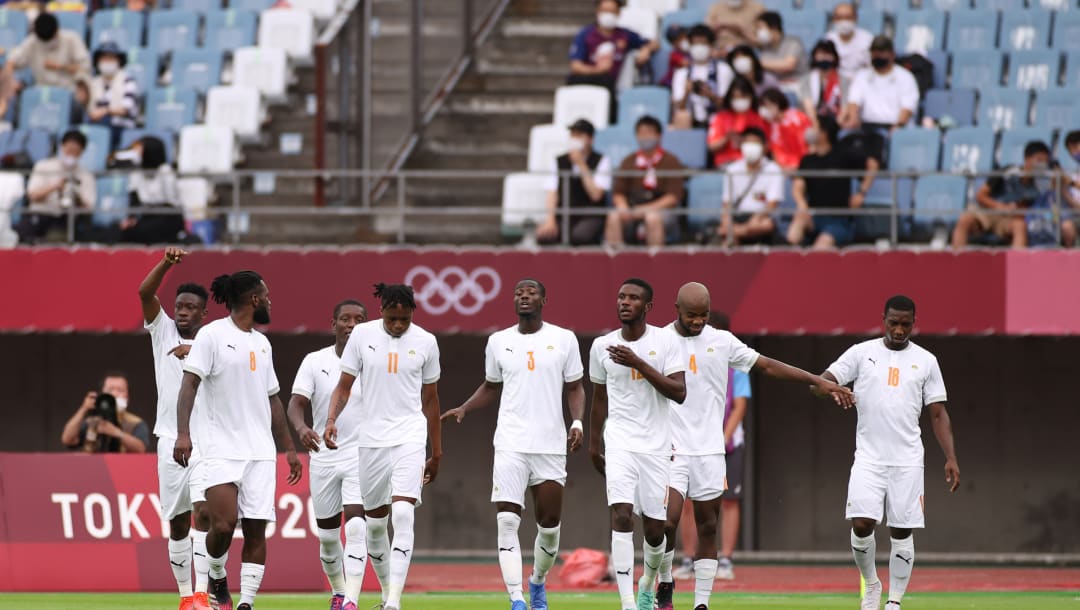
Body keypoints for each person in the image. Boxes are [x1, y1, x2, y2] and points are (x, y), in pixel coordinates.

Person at [654, 291, 853, 610]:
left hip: (710, 451)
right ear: (676, 309)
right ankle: (665, 580)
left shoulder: (722, 341)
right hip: (671, 448)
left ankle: (701, 603)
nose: (697, 321)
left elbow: (767, 366)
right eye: (691, 314)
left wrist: (818, 380)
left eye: (703, 314)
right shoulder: (659, 340)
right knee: (666, 521)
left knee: (708, 526)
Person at [442, 278, 586, 610]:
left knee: (548, 527)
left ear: (544, 299)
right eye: (518, 292)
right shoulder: (498, 341)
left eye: (531, 292)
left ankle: (537, 581)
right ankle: (517, 598)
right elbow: (492, 386)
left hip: (550, 445)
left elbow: (575, 387)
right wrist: (464, 407)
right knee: (507, 520)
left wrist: (577, 421)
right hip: (510, 443)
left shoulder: (563, 339)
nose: (524, 296)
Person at [816, 295, 959, 610]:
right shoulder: (861, 353)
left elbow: (938, 413)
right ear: (883, 318)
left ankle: (894, 601)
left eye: (905, 324)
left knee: (901, 528)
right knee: (862, 524)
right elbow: (820, 382)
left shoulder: (926, 360)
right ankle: (872, 585)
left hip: (907, 460)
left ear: (914, 322)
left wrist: (951, 457)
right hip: (868, 458)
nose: (899, 329)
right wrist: (832, 388)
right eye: (893, 322)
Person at [174, 270, 303, 610]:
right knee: (224, 524)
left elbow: (273, 399)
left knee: (257, 530)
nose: (271, 301)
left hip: (261, 453)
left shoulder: (263, 343)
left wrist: (288, 448)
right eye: (268, 295)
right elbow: (189, 384)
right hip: (221, 449)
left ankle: (246, 603)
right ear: (254, 299)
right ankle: (216, 573)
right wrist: (183, 432)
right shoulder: (212, 335)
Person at [324, 284, 442, 610]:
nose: (399, 325)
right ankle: (378, 591)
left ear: (412, 314)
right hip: (372, 440)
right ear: (382, 313)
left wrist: (436, 452)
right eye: (393, 319)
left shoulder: (427, 342)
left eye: (405, 319)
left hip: (410, 436)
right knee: (375, 525)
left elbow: (431, 401)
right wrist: (331, 419)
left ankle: (393, 602)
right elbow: (344, 387)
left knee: (403, 513)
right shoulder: (361, 336)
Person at [589, 278, 686, 610]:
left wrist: (638, 364)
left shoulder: (666, 342)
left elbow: (679, 392)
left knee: (657, 529)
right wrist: (593, 444)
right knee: (621, 514)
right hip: (618, 442)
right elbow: (599, 398)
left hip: (657, 446)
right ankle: (628, 603)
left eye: (632, 298)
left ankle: (648, 581)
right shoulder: (601, 346)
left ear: (648, 307)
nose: (624, 302)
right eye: (620, 297)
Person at [137, 248, 213, 610]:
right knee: (179, 522)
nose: (182, 312)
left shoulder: (214, 340)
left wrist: (194, 353)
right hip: (168, 438)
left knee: (204, 513)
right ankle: (185, 598)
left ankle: (202, 593)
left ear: (204, 312)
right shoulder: (162, 330)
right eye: (179, 306)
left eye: (190, 308)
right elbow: (144, 294)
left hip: (207, 441)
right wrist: (167, 263)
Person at [287, 299, 369, 610]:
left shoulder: (373, 363)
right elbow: (295, 403)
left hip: (360, 456)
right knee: (329, 537)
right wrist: (302, 428)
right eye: (345, 319)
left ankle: (351, 599)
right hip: (323, 456)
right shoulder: (314, 361)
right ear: (333, 324)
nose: (351, 324)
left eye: (359, 319)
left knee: (357, 526)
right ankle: (338, 591)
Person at [788, 116, 879, 249]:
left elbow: (873, 165)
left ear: (824, 133)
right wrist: (802, 205)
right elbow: (798, 186)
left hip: (838, 219)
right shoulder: (807, 160)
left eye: (814, 128)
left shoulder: (843, 155)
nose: (809, 131)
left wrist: (861, 193)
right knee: (794, 232)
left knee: (821, 246)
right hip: (814, 216)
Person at [952, 141, 1053, 250]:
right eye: (1038, 160)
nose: (1041, 165)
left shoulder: (1040, 186)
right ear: (1027, 159)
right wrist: (1001, 207)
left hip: (1008, 219)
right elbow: (981, 196)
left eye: (1044, 162)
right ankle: (957, 261)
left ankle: (1017, 264)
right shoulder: (1007, 172)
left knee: (1020, 226)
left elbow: (1031, 210)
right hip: (988, 211)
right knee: (964, 219)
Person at [568, 0, 659, 121]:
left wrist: (645, 50)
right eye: (605, 11)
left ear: (619, 13)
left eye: (612, 11)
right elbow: (575, 65)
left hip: (612, 83)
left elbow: (654, 43)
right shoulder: (586, 34)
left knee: (609, 87)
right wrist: (598, 70)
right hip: (588, 77)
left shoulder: (624, 35)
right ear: (597, 12)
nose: (608, 15)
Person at [607, 116, 686, 247]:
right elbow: (618, 192)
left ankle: (655, 263)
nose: (645, 137)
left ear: (659, 136)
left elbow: (673, 197)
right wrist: (623, 207)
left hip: (661, 209)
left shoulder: (671, 161)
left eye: (649, 133)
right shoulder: (628, 161)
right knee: (614, 216)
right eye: (641, 133)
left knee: (652, 218)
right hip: (633, 205)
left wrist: (645, 209)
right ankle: (616, 262)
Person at [538, 119, 611, 246]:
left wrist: (581, 164)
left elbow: (596, 195)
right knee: (545, 236)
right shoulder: (559, 161)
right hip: (564, 215)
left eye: (579, 135)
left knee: (580, 237)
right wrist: (550, 220)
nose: (575, 139)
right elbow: (552, 193)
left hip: (590, 215)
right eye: (573, 135)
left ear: (591, 139)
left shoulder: (602, 160)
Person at [16, 129, 96, 244]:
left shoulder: (86, 175)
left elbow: (89, 209)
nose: (71, 154)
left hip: (65, 217)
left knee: (59, 237)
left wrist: (76, 195)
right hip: (41, 213)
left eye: (76, 152)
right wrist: (55, 186)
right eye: (69, 150)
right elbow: (32, 195)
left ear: (82, 152)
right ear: (62, 147)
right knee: (23, 233)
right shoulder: (44, 166)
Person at [838, 36, 919, 132]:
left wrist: (898, 125)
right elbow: (854, 102)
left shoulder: (905, 77)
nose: (877, 56)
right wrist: (853, 118)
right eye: (874, 52)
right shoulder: (862, 76)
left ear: (892, 54)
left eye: (881, 52)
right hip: (867, 127)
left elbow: (907, 107)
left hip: (894, 126)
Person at [718, 126, 784, 244]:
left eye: (755, 143)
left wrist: (757, 218)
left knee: (766, 225)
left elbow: (772, 204)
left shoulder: (774, 170)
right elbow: (726, 204)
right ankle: (735, 234)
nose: (750, 146)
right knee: (728, 242)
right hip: (739, 216)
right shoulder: (732, 170)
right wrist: (726, 221)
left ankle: (736, 231)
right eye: (747, 142)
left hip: (761, 218)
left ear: (764, 147)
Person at [60, 371, 151, 453]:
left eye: (120, 390)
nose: (114, 394)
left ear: (127, 396)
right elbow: (68, 440)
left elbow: (141, 449)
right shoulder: (92, 421)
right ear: (102, 393)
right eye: (110, 390)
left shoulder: (136, 423)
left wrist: (116, 432)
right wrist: (83, 409)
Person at [120, 137, 187, 245]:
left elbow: (171, 202)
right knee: (126, 232)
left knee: (146, 231)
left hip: (167, 214)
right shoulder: (136, 172)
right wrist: (130, 219)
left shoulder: (166, 171)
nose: (138, 153)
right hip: (148, 215)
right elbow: (134, 199)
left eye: (141, 150)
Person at [2, 12, 90, 91]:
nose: (47, 44)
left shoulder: (72, 38)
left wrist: (61, 67)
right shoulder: (32, 42)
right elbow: (11, 61)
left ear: (56, 31)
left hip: (69, 90)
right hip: (41, 91)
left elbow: (85, 68)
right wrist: (10, 81)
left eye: (50, 39)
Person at [671, 25, 734, 129]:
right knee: (681, 117)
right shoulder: (681, 73)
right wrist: (687, 92)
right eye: (695, 44)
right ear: (690, 46)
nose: (699, 47)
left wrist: (710, 95)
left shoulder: (723, 69)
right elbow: (678, 108)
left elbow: (727, 106)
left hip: (716, 120)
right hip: (691, 122)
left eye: (703, 43)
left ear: (710, 46)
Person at [82, 42, 138, 150]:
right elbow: (90, 110)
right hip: (96, 125)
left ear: (119, 61)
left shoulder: (128, 81)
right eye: (104, 58)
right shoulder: (94, 82)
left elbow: (125, 109)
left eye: (111, 58)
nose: (107, 62)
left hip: (121, 126)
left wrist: (105, 111)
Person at [706, 76, 767, 167]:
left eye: (742, 97)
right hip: (726, 163)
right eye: (735, 97)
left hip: (753, 164)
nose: (739, 100)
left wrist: (747, 142)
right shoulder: (720, 117)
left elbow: (768, 145)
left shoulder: (758, 117)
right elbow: (712, 147)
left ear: (750, 96)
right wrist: (727, 138)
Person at [758, 87, 812, 170]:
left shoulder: (798, 118)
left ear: (777, 104)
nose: (765, 110)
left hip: (804, 166)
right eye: (763, 107)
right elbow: (774, 152)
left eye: (768, 106)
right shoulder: (768, 125)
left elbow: (811, 144)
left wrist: (806, 164)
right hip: (783, 169)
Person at [755, 11, 807, 87]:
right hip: (776, 87)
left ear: (774, 27)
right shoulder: (765, 48)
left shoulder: (793, 42)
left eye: (760, 28)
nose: (758, 32)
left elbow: (789, 65)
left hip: (799, 85)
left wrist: (757, 63)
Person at [798, 40, 844, 125]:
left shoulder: (842, 80)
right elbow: (808, 106)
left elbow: (845, 107)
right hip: (812, 119)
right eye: (821, 54)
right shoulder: (806, 80)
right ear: (815, 56)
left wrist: (836, 125)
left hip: (835, 121)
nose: (824, 57)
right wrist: (816, 125)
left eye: (828, 54)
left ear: (834, 57)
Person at [826, 3, 873, 84]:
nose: (844, 21)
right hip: (836, 84)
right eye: (840, 18)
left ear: (855, 18)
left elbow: (872, 68)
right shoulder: (828, 39)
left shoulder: (867, 40)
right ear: (834, 19)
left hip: (862, 83)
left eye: (848, 18)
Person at [1060, 129, 1080, 247]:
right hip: (1076, 215)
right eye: (1070, 150)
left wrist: (1071, 183)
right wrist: (1061, 188)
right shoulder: (1074, 173)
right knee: (1066, 225)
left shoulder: (1072, 179)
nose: (1074, 152)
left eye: (1076, 146)